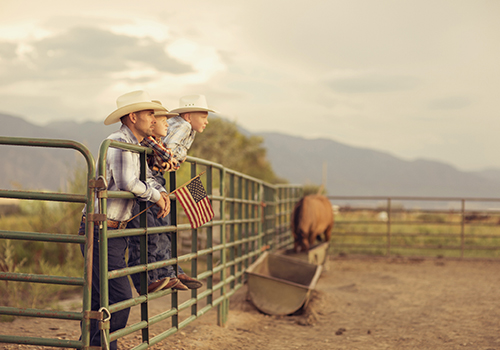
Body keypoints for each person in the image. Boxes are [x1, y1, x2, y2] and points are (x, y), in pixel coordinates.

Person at [78, 90, 169, 350]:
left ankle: (95, 346)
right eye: (149, 113)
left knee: (102, 298)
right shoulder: (118, 142)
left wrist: (160, 192)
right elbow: (129, 183)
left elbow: (146, 177)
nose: (154, 118)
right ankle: (100, 346)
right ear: (133, 117)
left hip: (115, 230)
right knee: (118, 295)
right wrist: (155, 196)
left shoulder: (137, 146)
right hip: (99, 228)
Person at [154, 94, 217, 287]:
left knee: (164, 227)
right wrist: (183, 156)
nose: (206, 121)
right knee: (162, 226)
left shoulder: (186, 127)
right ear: (189, 116)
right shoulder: (184, 126)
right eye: (203, 116)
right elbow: (169, 150)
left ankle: (172, 271)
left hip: (157, 176)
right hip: (155, 175)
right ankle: (167, 272)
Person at [127, 101, 187, 292]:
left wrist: (172, 160)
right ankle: (153, 277)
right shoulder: (149, 141)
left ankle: (166, 272)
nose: (168, 125)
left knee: (160, 231)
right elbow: (170, 160)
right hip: (147, 187)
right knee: (151, 232)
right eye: (163, 120)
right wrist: (175, 159)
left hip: (152, 185)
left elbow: (168, 161)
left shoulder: (153, 141)